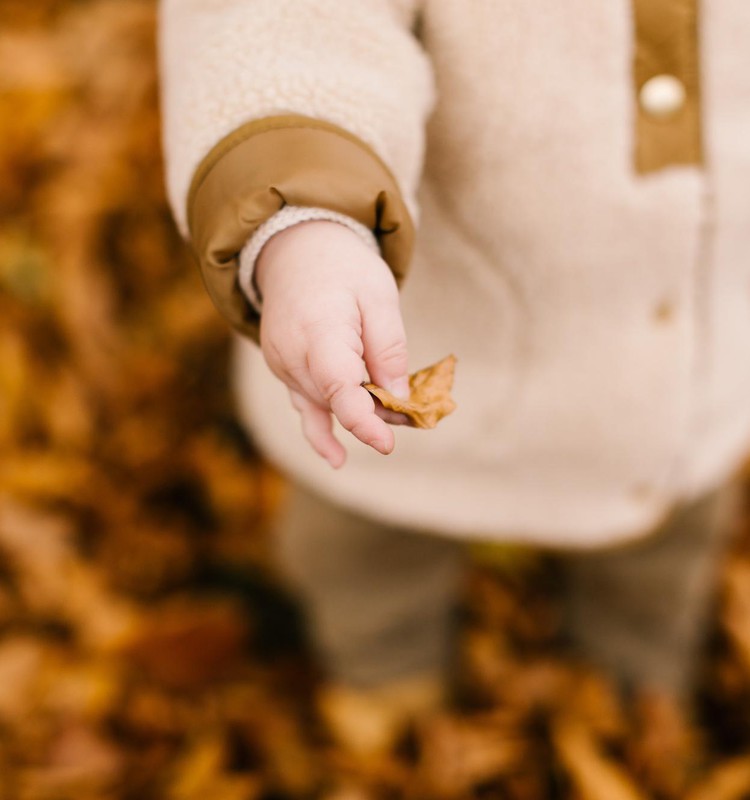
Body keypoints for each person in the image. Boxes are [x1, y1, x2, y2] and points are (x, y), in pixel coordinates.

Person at [159, 1, 750, 753]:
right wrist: (304, 218)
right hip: (393, 342)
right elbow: (283, 21)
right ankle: (385, 682)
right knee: (364, 553)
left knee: (658, 564)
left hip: (681, 361)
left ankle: (635, 701)